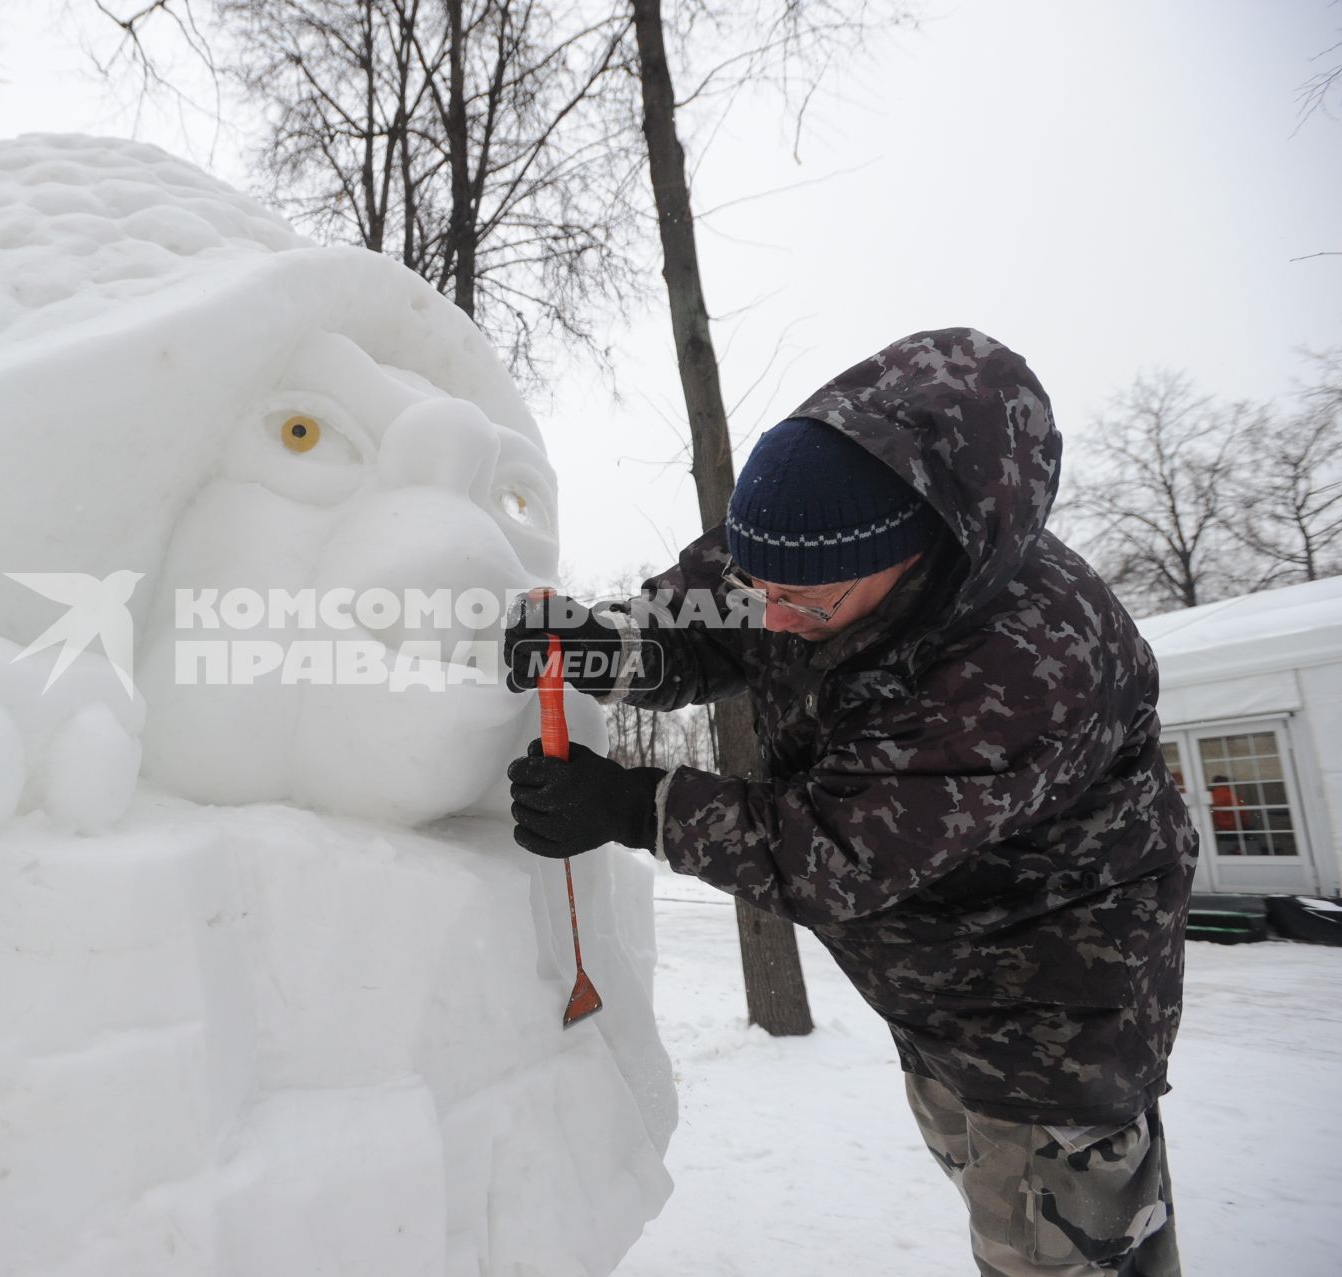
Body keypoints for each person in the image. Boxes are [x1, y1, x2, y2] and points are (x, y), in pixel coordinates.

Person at [504, 329, 1195, 1276]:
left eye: (802, 604)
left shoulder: (1027, 661)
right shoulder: (802, 530)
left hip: (1046, 1026)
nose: (771, 615)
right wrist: (604, 646)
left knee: (1058, 1246)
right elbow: (710, 619)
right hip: (937, 994)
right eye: (756, 583)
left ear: (908, 557)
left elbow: (832, 848)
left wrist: (638, 804)